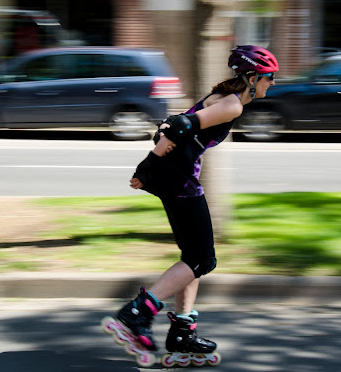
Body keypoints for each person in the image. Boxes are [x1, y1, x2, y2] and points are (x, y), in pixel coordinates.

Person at [102, 45, 279, 366]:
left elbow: (173, 128)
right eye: (269, 78)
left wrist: (146, 168)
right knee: (203, 260)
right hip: (181, 182)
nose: (272, 83)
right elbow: (179, 127)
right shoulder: (232, 105)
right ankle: (136, 314)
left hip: (174, 177)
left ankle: (182, 331)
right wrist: (148, 165)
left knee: (192, 257)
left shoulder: (223, 99)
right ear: (252, 78)